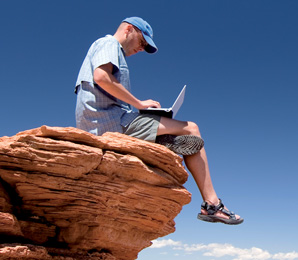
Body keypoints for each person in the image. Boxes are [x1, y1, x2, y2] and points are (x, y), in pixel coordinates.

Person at [75, 17, 243, 225]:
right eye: (142, 43)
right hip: (111, 124)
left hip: (110, 121)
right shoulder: (107, 43)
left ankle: (162, 142)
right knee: (191, 129)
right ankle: (212, 204)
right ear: (129, 30)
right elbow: (101, 77)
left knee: (172, 129)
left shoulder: (112, 51)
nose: (141, 49)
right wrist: (140, 104)